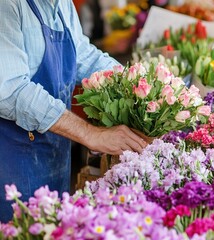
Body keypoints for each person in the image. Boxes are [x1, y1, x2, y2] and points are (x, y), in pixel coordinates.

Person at [0, 0, 147, 222]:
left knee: (51, 227)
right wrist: (91, 134)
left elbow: (82, 55)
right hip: (13, 162)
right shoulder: (8, 6)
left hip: (53, 155)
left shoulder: (61, 4)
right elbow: (11, 90)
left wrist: (140, 83)